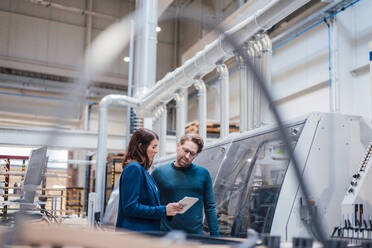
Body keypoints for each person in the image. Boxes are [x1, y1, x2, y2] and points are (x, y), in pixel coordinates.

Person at [151, 133, 220, 236]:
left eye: (192, 153)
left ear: (196, 154)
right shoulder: (159, 172)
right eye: (185, 150)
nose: (187, 156)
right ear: (178, 146)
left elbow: (210, 207)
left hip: (195, 236)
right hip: (165, 236)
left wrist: (216, 237)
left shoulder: (203, 174)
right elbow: (150, 205)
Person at [115, 128, 183, 232]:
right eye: (153, 147)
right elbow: (130, 207)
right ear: (141, 147)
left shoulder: (143, 171)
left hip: (145, 233)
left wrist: (168, 210)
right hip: (135, 235)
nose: (156, 151)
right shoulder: (134, 169)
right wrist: (163, 210)